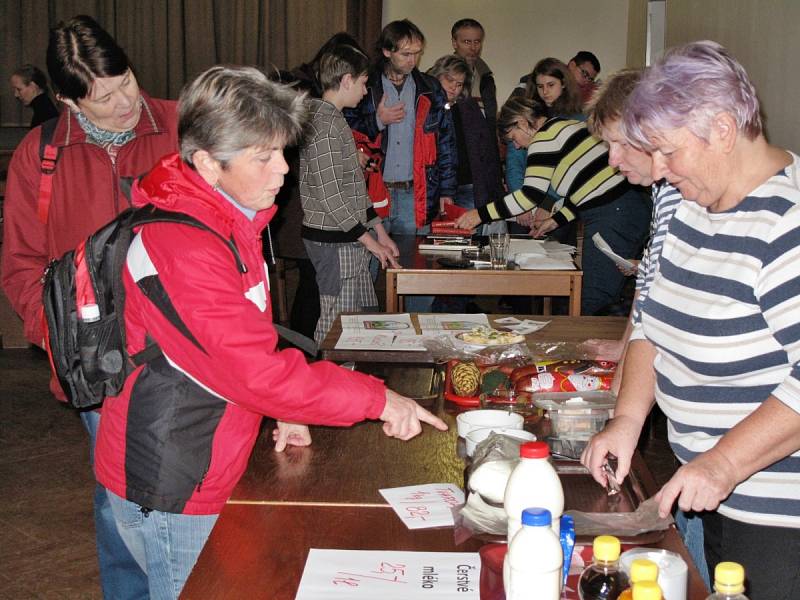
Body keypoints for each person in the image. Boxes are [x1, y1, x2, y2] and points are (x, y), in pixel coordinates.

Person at [93, 65, 448, 599]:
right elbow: (253, 369)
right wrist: (377, 399)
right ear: (209, 164)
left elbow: (224, 353)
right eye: (263, 157)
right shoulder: (182, 246)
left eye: (283, 151)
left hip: (202, 451)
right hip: (174, 478)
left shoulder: (228, 218)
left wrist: (285, 408)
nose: (283, 169)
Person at [582, 41, 800, 599]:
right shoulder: (690, 206)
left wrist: (723, 463)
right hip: (707, 490)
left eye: (667, 152)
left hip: (779, 514)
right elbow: (651, 325)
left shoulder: (787, 226)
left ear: (723, 131)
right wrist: (628, 420)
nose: (656, 170)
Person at [1, 15, 178, 598]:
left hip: (186, 354)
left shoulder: (182, 126)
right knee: (118, 499)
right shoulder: (41, 152)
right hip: (98, 360)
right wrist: (57, 335)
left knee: (197, 494)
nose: (126, 102)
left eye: (124, 80)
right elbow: (22, 261)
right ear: (66, 101)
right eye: (103, 98)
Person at [581, 68, 708, 585]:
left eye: (617, 144)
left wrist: (627, 392)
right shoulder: (665, 191)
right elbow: (652, 291)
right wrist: (626, 346)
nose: (611, 160)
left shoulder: (685, 190)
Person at [455, 96, 651, 316]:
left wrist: (481, 214)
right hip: (624, 208)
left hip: (614, 213)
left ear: (521, 122)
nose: (517, 146)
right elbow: (588, 189)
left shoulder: (543, 139)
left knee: (592, 295)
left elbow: (529, 196)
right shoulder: (564, 126)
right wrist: (555, 220)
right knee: (601, 290)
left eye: (513, 139)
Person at [300, 43, 400, 345]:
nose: (365, 89)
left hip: (348, 235)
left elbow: (354, 189)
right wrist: (370, 241)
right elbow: (331, 196)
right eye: (363, 82)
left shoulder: (336, 119)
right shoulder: (324, 124)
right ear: (346, 80)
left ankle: (349, 381)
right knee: (335, 324)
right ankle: (323, 384)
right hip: (332, 239)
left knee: (357, 318)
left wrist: (379, 231)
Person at [345, 19, 456, 236]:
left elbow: (446, 142)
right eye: (406, 54)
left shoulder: (430, 88)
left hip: (416, 192)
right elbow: (344, 129)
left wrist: (447, 190)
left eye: (417, 53)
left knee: (412, 264)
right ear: (387, 51)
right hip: (372, 190)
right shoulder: (365, 84)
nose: (413, 60)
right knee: (369, 262)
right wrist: (378, 121)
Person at [426, 55, 504, 218]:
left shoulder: (469, 108)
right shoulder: (424, 106)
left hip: (467, 184)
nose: (454, 87)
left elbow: (486, 149)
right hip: (432, 186)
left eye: (459, 84)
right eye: (449, 80)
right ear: (437, 77)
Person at [450, 18, 498, 140]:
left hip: (482, 146)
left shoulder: (486, 78)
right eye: (466, 42)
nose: (473, 47)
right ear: (454, 43)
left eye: (477, 41)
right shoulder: (440, 77)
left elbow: (490, 122)